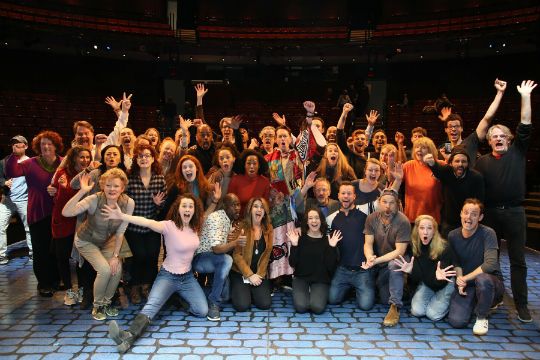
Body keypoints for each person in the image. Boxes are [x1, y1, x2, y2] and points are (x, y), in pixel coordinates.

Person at [104, 193, 208, 353]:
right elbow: (146, 222)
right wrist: (122, 215)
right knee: (151, 307)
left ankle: (176, 299)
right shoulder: (168, 226)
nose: (187, 209)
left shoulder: (195, 229)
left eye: (191, 206)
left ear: (195, 210)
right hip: (168, 276)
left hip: (187, 278)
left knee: (202, 311)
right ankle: (127, 336)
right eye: (184, 206)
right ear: (178, 209)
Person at [474, 79, 536, 323]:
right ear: (489, 141)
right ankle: (495, 296)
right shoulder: (482, 162)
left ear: (509, 139)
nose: (498, 138)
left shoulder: (518, 153)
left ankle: (521, 304)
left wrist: (525, 96)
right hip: (490, 214)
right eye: (493, 136)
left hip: (514, 213)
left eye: (502, 136)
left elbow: (526, 124)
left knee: (518, 260)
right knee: (491, 259)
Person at [62, 169, 135, 320]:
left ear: (122, 188)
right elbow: (66, 212)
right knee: (104, 270)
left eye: (116, 186)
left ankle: (107, 303)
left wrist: (116, 256)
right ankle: (98, 305)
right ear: (102, 186)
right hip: (86, 240)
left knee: (116, 269)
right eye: (108, 185)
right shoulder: (94, 199)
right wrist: (82, 192)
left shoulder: (128, 203)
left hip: (108, 240)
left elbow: (121, 231)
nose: (112, 189)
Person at [5, 130, 64, 296]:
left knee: (57, 249)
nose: (46, 146)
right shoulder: (30, 163)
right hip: (38, 213)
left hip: (58, 212)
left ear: (56, 146)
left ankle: (56, 279)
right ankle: (44, 283)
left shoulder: (62, 162)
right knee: (41, 250)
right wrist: (14, 155)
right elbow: (11, 172)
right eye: (43, 144)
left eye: (49, 143)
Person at [448, 199, 504, 335]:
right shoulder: (452, 235)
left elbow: (490, 264)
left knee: (483, 280)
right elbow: (455, 263)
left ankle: (482, 317)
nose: (468, 217)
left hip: (489, 281)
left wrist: (465, 278)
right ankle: (479, 302)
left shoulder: (488, 233)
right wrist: (460, 279)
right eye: (466, 212)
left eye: (474, 214)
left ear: (480, 217)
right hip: (468, 284)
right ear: (461, 214)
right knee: (457, 321)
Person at [394, 215, 459, 321]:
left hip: (445, 284)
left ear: (434, 231)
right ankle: (434, 299)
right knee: (417, 311)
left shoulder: (444, 248)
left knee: (433, 315)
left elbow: (440, 281)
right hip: (429, 282)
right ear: (417, 230)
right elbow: (418, 278)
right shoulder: (414, 247)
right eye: (422, 228)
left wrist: (438, 278)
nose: (425, 232)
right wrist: (411, 271)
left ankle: (450, 300)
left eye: (429, 228)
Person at [362, 189, 411, 327]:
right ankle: (397, 289)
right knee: (383, 299)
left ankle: (395, 305)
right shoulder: (371, 218)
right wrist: (370, 257)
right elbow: (368, 243)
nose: (387, 206)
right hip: (378, 261)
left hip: (394, 260)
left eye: (391, 203)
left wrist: (376, 260)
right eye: (384, 202)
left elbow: (399, 252)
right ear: (379, 202)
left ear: (397, 204)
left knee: (394, 265)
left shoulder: (403, 221)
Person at [124, 144, 167, 304]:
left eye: (147, 155)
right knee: (139, 255)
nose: (144, 158)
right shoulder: (130, 178)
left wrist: (157, 204)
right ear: (136, 159)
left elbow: (163, 205)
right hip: (134, 226)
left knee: (152, 256)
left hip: (152, 225)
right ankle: (135, 286)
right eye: (140, 156)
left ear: (153, 158)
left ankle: (148, 287)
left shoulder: (159, 178)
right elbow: (124, 202)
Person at [51, 146, 91, 305]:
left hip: (79, 221)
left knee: (81, 256)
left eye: (87, 157)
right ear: (74, 158)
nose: (85, 160)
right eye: (81, 157)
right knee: (63, 257)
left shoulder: (88, 174)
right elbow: (61, 199)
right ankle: (68, 289)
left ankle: (81, 288)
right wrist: (61, 188)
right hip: (62, 220)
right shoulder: (62, 174)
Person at [193, 193, 242, 321]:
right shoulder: (216, 218)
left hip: (213, 259)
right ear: (224, 206)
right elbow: (216, 249)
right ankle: (213, 302)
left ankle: (190, 294)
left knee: (225, 297)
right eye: (233, 205)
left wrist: (230, 239)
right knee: (227, 260)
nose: (237, 208)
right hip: (200, 259)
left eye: (238, 204)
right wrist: (235, 243)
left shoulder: (228, 221)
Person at [438, 79, 507, 165]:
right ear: (445, 130)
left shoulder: (470, 142)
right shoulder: (445, 149)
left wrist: (499, 93)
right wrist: (447, 120)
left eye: (456, 126)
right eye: (450, 127)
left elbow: (487, 118)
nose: (453, 129)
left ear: (461, 128)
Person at [327, 182, 372, 310]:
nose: (346, 196)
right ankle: (348, 289)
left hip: (362, 270)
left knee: (365, 305)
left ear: (354, 196)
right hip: (343, 270)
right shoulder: (331, 219)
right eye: (343, 193)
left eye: (349, 193)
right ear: (338, 196)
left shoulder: (365, 211)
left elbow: (383, 202)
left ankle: (359, 288)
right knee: (332, 300)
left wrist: (396, 181)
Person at [287, 208, 340, 314]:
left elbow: (331, 267)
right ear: (307, 221)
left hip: (320, 280)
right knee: (301, 307)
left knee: (317, 308)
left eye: (317, 218)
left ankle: (314, 292)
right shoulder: (300, 238)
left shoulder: (328, 240)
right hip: (301, 278)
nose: (314, 221)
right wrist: (294, 245)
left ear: (321, 220)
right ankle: (306, 292)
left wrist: (332, 248)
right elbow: (292, 263)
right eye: (310, 218)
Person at [424, 145, 485, 238]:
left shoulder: (476, 177)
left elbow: (481, 200)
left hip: (469, 220)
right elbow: (437, 168)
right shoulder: (447, 172)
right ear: (451, 163)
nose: (460, 164)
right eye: (457, 161)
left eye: (463, 161)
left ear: (468, 163)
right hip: (449, 222)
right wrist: (431, 162)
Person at [229, 197, 273, 311]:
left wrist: (259, 274)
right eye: (256, 206)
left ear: (265, 212)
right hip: (240, 272)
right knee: (242, 305)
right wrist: (249, 275)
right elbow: (237, 255)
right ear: (249, 209)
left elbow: (267, 253)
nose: (259, 209)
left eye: (262, 207)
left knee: (265, 304)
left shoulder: (268, 229)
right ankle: (240, 289)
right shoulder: (241, 227)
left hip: (257, 272)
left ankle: (249, 290)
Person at [0, 135, 32, 264]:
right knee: (0, 225)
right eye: (13, 144)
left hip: (25, 200)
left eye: (18, 143)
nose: (15, 146)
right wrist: (4, 182)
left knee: (29, 227)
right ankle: (1, 256)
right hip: (7, 200)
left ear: (25, 146)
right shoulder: (5, 162)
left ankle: (33, 253)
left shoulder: (31, 162)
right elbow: (0, 178)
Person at [402, 137, 444, 224]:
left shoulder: (441, 165)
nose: (419, 150)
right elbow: (393, 182)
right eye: (417, 147)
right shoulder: (408, 166)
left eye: (423, 147)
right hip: (412, 218)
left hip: (433, 219)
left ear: (430, 150)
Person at [227, 149, 270, 215]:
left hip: (258, 220)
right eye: (249, 163)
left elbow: (266, 206)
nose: (251, 166)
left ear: (259, 166)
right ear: (244, 165)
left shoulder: (265, 182)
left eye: (254, 163)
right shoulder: (235, 180)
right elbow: (229, 205)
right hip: (239, 220)